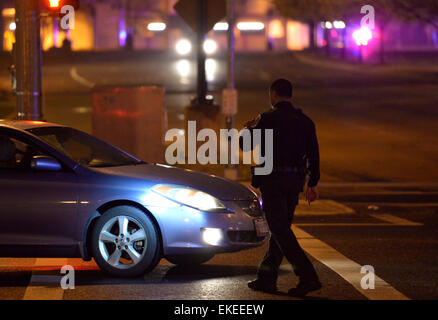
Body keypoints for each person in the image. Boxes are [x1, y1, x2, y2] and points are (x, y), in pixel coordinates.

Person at [242, 79, 322, 297]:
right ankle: (266, 278)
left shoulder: (266, 119)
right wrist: (313, 183)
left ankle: (308, 277)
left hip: (272, 180)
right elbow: (314, 155)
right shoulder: (305, 121)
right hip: (294, 182)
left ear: (273, 94)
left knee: (279, 230)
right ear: (290, 95)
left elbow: (245, 145)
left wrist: (248, 129)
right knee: (281, 229)